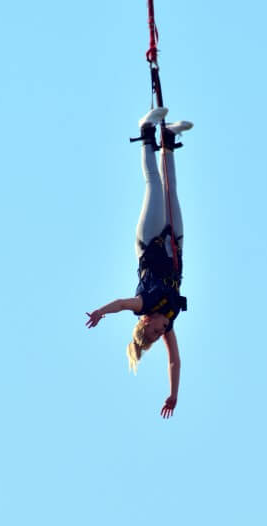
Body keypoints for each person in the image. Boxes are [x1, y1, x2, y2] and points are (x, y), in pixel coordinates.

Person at [85, 107, 193, 418]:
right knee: (173, 189)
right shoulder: (169, 318)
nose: (162, 334)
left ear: (145, 322)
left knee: (154, 186)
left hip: (150, 241)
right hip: (175, 246)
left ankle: (147, 132)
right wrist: (173, 394)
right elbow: (174, 360)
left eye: (155, 333)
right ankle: (169, 137)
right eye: (160, 336)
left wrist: (101, 312)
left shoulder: (143, 305)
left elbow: (120, 303)